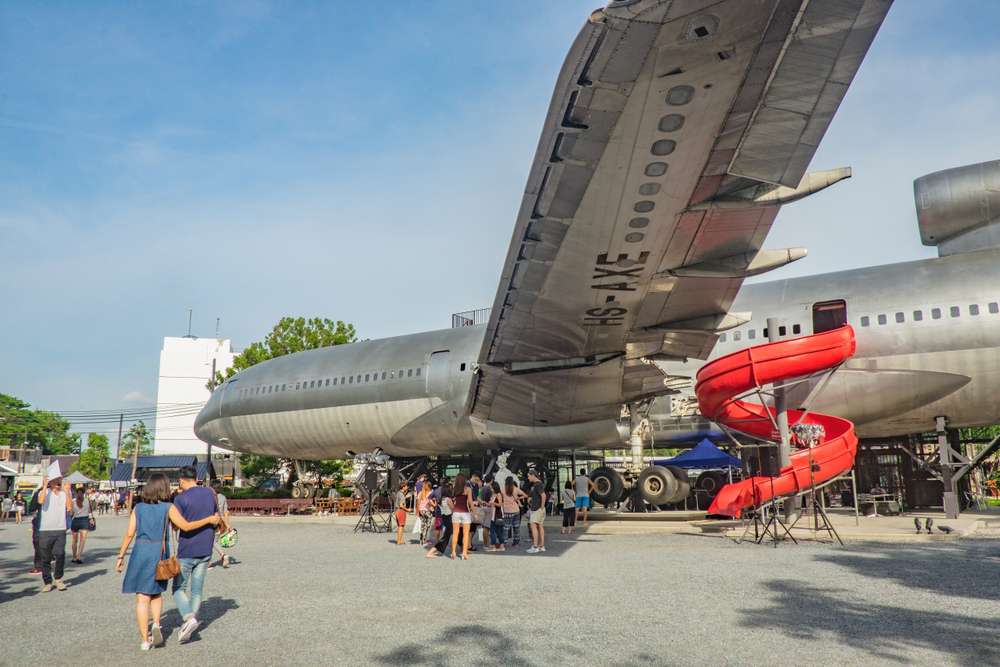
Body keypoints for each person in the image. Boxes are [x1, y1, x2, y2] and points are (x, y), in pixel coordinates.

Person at [116, 473, 220, 651]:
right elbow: (186, 526)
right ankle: (156, 624)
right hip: (159, 552)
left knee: (142, 598)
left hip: (141, 551)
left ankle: (144, 640)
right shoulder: (168, 507)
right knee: (156, 593)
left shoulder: (138, 508)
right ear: (163, 488)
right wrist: (209, 520)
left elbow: (129, 534)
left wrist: (120, 556)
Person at [172, 466, 219, 643]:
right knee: (197, 590)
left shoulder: (180, 498)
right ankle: (190, 624)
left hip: (188, 548)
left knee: (178, 588)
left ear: (182, 480)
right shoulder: (209, 493)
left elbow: (180, 525)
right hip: (205, 548)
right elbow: (215, 516)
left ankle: (189, 618)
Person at [37, 473, 74, 591]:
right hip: (45, 529)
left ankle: (58, 578)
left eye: (60, 480)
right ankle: (48, 582)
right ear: (51, 482)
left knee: (60, 554)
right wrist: (44, 486)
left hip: (60, 528)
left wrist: (67, 491)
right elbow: (41, 501)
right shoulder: (45, 492)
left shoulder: (64, 494)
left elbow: (69, 508)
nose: (58, 482)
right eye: (56, 480)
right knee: (45, 557)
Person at [449, 474, 474, 560]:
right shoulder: (468, 489)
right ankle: (464, 553)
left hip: (456, 513)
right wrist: (474, 512)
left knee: (455, 533)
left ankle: (453, 552)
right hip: (465, 513)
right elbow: (470, 502)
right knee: (465, 534)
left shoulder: (454, 489)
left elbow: (452, 501)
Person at [426, 482, 453, 558]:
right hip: (449, 518)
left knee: (446, 537)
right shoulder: (448, 499)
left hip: (444, 517)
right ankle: (431, 552)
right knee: (445, 538)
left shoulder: (441, 500)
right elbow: (453, 509)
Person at [209, 479, 232, 568]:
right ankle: (210, 562)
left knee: (211, 542)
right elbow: (226, 512)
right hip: (220, 523)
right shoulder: (223, 497)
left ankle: (222, 555)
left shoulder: (209, 496)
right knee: (213, 542)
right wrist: (228, 525)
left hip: (211, 521)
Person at [500, 477, 528, 549]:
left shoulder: (502, 490)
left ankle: (504, 543)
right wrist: (518, 498)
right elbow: (525, 495)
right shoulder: (515, 489)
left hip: (506, 511)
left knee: (505, 528)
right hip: (516, 510)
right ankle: (516, 543)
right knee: (516, 527)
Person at [70, 486, 93, 564]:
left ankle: (74, 557)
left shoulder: (73, 501)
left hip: (75, 520)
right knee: (82, 540)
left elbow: (71, 513)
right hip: (84, 520)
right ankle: (78, 556)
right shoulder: (87, 501)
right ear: (83, 494)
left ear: (76, 494)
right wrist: (91, 519)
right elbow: (90, 511)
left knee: (74, 540)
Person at [526, 470, 547, 554]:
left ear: (533, 475)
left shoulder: (537, 484)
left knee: (533, 526)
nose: (528, 478)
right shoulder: (538, 484)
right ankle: (541, 546)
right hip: (538, 508)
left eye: (528, 476)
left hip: (537, 509)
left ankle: (535, 546)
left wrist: (541, 507)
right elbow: (540, 495)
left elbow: (543, 495)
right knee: (540, 526)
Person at [28, 487, 43, 574]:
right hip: (55, 523)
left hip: (40, 521)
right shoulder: (60, 492)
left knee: (37, 542)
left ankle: (39, 566)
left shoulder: (39, 492)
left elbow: (32, 507)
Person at [487, 481, 506, 551]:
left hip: (497, 515)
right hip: (494, 515)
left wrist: (493, 503)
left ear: (495, 487)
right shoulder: (493, 494)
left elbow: (500, 504)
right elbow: (492, 504)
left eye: (492, 488)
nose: (491, 489)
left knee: (493, 531)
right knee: (498, 531)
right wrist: (488, 503)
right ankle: (501, 545)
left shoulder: (498, 494)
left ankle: (493, 545)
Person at [415, 482, 433, 546]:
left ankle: (421, 540)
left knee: (422, 526)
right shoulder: (431, 493)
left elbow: (417, 502)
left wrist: (418, 510)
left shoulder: (420, 493)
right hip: (428, 510)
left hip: (421, 510)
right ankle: (425, 540)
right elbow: (431, 502)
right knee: (428, 526)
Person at [394, 481, 410, 545]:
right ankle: (399, 541)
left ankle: (399, 539)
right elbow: (401, 505)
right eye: (406, 486)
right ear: (403, 487)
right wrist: (407, 510)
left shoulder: (398, 493)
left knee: (399, 526)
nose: (407, 487)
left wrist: (405, 496)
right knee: (401, 526)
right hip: (401, 511)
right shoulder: (402, 495)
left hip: (397, 511)